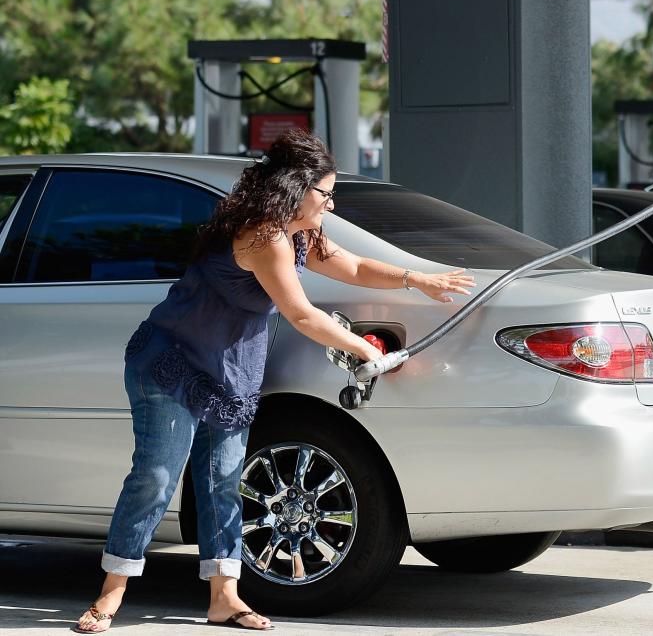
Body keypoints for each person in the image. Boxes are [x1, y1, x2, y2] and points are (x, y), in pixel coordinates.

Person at [74, 130, 475, 633]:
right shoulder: (263, 236)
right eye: (325, 193)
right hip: (173, 362)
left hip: (230, 371)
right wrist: (365, 349)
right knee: (155, 478)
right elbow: (300, 314)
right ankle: (109, 595)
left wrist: (417, 279)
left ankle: (225, 598)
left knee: (223, 483)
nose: (331, 202)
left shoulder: (300, 231)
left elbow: (350, 265)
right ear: (295, 188)